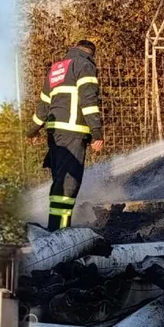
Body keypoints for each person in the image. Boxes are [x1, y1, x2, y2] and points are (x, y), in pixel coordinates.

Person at [27, 40, 104, 232]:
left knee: (60, 181)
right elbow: (89, 101)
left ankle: (55, 228)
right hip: (72, 132)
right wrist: (96, 133)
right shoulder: (84, 65)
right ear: (90, 53)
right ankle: (60, 232)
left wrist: (32, 129)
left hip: (55, 135)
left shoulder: (57, 69)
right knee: (68, 185)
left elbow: (44, 104)